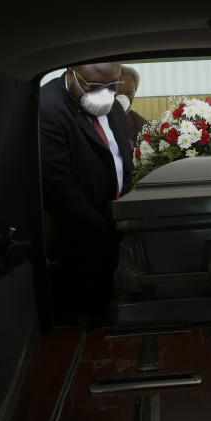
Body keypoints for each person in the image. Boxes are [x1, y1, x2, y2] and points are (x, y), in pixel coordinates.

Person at [40, 61, 134, 322]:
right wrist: (104, 230)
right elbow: (57, 185)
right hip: (77, 240)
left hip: (115, 230)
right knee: (88, 316)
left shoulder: (113, 107)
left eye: (112, 86)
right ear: (71, 74)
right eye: (93, 86)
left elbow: (123, 163)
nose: (104, 94)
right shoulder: (47, 108)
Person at [116, 65, 147, 149]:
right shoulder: (93, 121)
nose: (122, 98)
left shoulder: (142, 127)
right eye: (118, 93)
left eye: (129, 94)